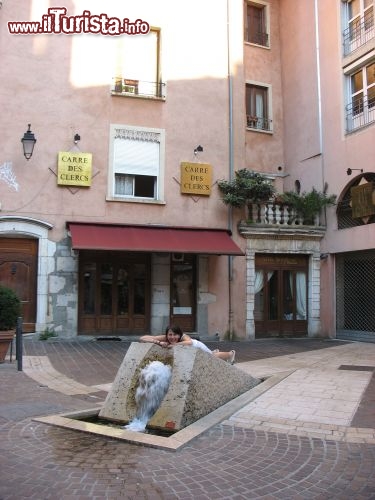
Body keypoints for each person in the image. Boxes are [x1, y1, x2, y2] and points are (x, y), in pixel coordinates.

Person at [140, 325, 236, 364]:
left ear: (179, 334)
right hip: (191, 351)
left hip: (197, 345)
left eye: (175, 335)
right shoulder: (165, 337)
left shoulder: (183, 336)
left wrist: (173, 345)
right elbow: (142, 338)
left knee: (212, 356)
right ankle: (215, 351)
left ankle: (230, 354)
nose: (172, 337)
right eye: (170, 335)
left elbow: (189, 342)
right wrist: (158, 342)